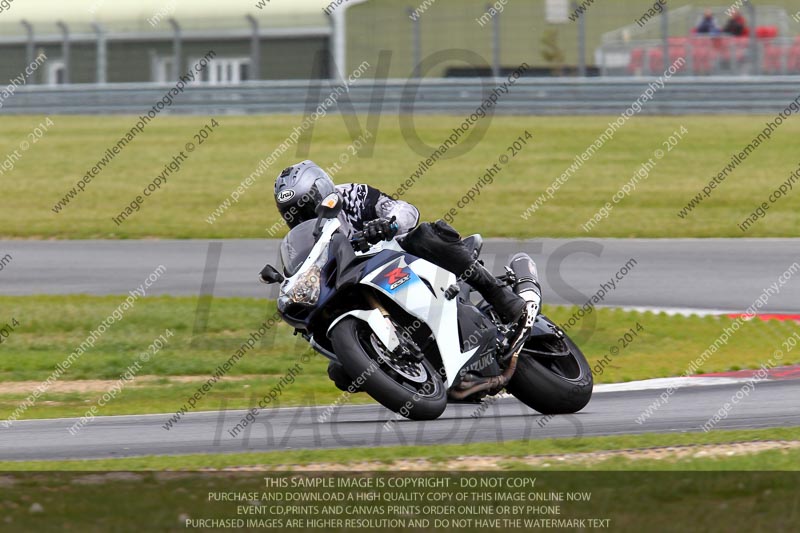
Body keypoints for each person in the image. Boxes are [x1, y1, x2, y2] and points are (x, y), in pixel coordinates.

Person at [271, 160, 532, 391]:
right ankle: (415, 380)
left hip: (397, 258)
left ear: (323, 190)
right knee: (340, 373)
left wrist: (389, 223)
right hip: (355, 288)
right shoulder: (302, 241)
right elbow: (303, 274)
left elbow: (406, 209)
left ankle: (499, 295)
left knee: (425, 235)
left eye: (307, 205)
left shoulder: (352, 195)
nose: (302, 215)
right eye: (292, 211)